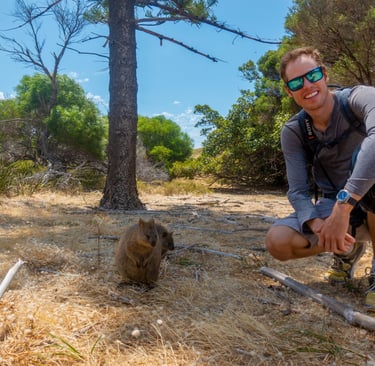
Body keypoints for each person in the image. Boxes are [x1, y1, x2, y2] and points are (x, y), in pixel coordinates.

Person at [265, 47, 375, 310]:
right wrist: (315, 223)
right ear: (289, 92)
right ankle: (346, 250)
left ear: (324, 75)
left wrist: (343, 206)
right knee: (278, 242)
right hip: (334, 209)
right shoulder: (295, 131)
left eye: (312, 75)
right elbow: (298, 191)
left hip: (359, 200)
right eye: (295, 82)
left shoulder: (360, 98)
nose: (306, 85)